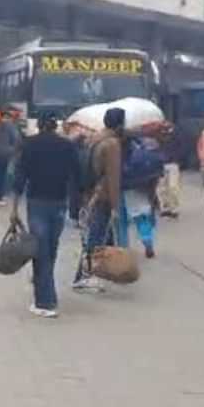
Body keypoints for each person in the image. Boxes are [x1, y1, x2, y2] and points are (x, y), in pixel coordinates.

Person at [11, 111, 80, 318]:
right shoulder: (67, 146)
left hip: (37, 202)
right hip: (59, 202)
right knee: (51, 247)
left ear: (39, 125)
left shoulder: (29, 145)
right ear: (55, 125)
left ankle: (45, 302)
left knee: (40, 250)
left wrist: (14, 209)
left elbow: (19, 177)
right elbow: (77, 175)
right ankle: (45, 285)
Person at [73, 107, 126, 293]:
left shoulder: (94, 139)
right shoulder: (112, 144)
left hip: (89, 194)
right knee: (96, 237)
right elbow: (113, 176)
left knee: (97, 235)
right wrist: (115, 205)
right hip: (102, 196)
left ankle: (96, 272)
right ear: (120, 124)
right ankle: (85, 276)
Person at [118, 136, 162, 258]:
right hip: (141, 189)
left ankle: (123, 248)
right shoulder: (141, 150)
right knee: (142, 218)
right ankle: (148, 243)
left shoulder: (117, 152)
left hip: (123, 188)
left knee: (121, 222)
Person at [156, 124, 182, 219]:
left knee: (173, 187)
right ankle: (165, 208)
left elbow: (181, 149)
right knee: (161, 188)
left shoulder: (175, 137)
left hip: (173, 164)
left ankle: (174, 209)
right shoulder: (157, 137)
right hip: (161, 164)